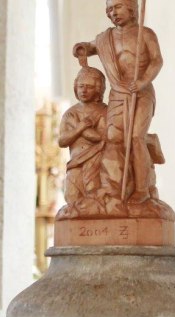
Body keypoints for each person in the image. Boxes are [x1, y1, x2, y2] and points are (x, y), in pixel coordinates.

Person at [72, 0, 165, 210]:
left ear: (131, 8)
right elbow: (92, 47)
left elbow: (157, 61)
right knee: (113, 139)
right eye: (110, 10)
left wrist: (142, 82)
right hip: (118, 93)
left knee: (135, 138)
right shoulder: (106, 37)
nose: (113, 13)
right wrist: (81, 48)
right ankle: (114, 187)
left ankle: (142, 189)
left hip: (141, 93)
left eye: (118, 7)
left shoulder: (145, 34)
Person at [57, 67, 108, 219]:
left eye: (89, 87)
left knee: (95, 198)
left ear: (98, 89)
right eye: (81, 86)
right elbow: (62, 141)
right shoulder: (70, 113)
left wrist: (85, 131)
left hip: (97, 160)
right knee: (72, 196)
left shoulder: (105, 111)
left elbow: (102, 138)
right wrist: (80, 127)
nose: (84, 91)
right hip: (76, 163)